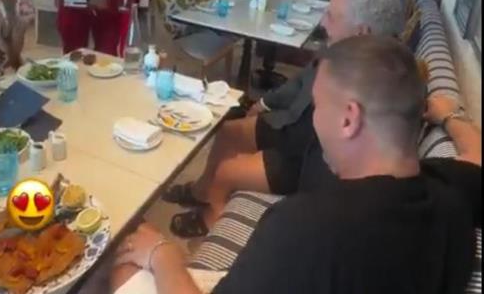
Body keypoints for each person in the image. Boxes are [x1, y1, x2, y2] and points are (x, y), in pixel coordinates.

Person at [111, 36, 481, 294]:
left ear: (348, 119)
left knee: (126, 262)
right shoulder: (453, 196)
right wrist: (451, 117)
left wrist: (164, 255)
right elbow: (476, 158)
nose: (314, 119)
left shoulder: (307, 227)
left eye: (318, 106)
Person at [163, 0, 405, 237]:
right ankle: (201, 191)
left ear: (361, 32)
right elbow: (301, 81)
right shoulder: (345, 50)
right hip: (293, 128)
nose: (323, 22)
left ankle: (211, 222)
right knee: (228, 131)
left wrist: (261, 144)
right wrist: (265, 103)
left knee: (226, 171)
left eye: (332, 16)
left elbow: (321, 151)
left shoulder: (373, 86)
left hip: (304, 158)